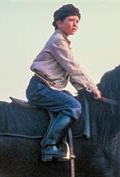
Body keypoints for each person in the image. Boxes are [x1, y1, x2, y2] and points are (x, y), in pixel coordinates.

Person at [26, 4, 102, 162]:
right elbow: (73, 67)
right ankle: (49, 146)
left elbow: (72, 72)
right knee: (73, 106)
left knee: (73, 100)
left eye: (77, 21)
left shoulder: (63, 42)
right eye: (71, 20)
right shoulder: (57, 41)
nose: (75, 24)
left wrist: (86, 90)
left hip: (48, 87)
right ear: (58, 23)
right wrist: (92, 87)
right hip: (40, 88)